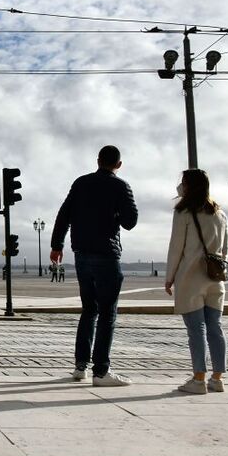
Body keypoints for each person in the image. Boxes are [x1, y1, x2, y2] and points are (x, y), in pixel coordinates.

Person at [50, 145, 138, 386]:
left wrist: (56, 245)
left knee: (88, 310)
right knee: (108, 313)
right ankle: (101, 371)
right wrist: (113, 215)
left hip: (82, 255)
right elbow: (131, 222)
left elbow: (64, 214)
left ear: (98, 160)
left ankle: (80, 367)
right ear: (118, 165)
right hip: (107, 254)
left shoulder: (80, 183)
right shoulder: (121, 186)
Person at [165, 169, 228, 394]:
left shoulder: (183, 212)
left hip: (191, 279)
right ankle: (217, 378)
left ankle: (198, 380)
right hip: (215, 279)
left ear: (190, 186)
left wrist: (169, 277)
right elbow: (224, 249)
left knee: (196, 330)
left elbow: (176, 248)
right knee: (215, 328)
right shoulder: (220, 213)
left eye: (183, 182)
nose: (180, 186)